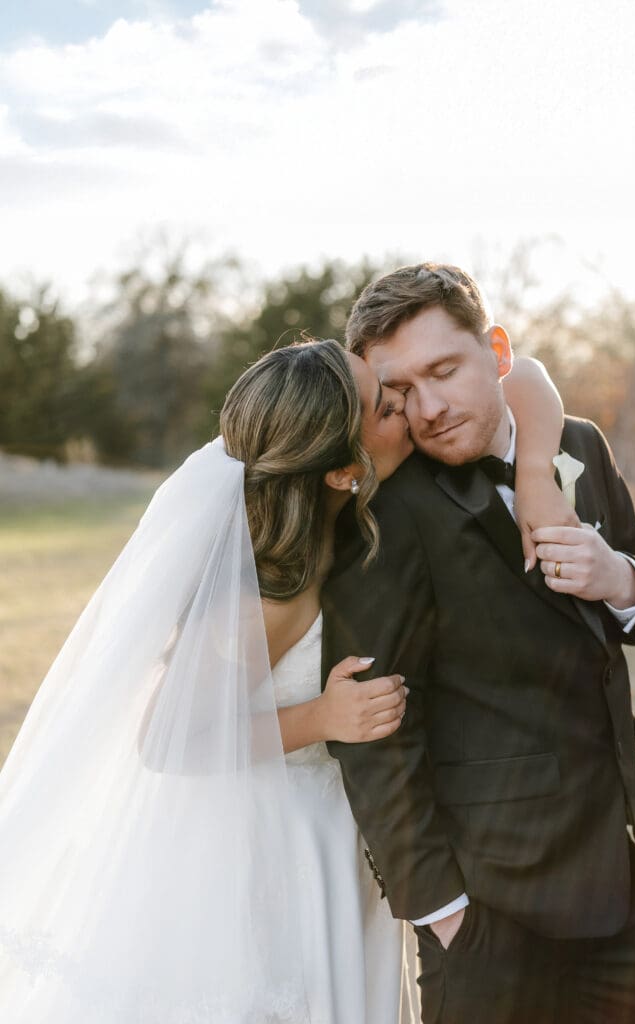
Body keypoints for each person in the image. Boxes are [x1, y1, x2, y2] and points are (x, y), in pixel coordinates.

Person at [0, 335, 567, 1023]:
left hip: (337, 827)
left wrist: (535, 472)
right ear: (340, 471)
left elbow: (525, 372)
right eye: (386, 407)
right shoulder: (268, 594)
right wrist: (322, 720)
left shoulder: (341, 499)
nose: (410, 410)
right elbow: (165, 740)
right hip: (268, 846)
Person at [321, 263, 635, 1023]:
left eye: (444, 370)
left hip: (618, 877)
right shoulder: (392, 508)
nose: (430, 407)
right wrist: (443, 914)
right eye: (401, 391)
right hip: (489, 915)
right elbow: (373, 732)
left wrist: (617, 578)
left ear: (498, 352)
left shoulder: (576, 443)